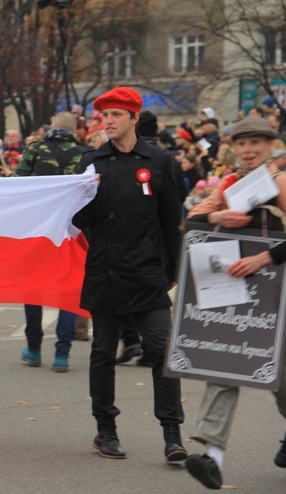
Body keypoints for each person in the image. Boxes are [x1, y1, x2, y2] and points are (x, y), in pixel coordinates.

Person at [72, 86, 186, 462]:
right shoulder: (91, 163)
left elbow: (171, 221)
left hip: (148, 274)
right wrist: (89, 196)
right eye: (104, 115)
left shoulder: (159, 161)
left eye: (116, 114)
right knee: (103, 353)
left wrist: (172, 269)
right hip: (105, 271)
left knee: (161, 349)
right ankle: (105, 430)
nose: (108, 121)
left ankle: (172, 434)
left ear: (135, 118)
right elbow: (74, 220)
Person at [184, 116, 286, 489]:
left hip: (278, 292)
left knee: (282, 378)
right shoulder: (230, 183)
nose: (249, 150)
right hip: (234, 292)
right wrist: (217, 214)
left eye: (257, 142)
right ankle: (212, 456)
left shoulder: (279, 181)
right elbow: (191, 221)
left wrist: (267, 257)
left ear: (271, 144)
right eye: (243, 143)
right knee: (224, 364)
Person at [15, 111, 87, 371]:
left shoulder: (36, 149)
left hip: (37, 229)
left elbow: (17, 185)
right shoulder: (84, 154)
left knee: (33, 287)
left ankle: (34, 348)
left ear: (52, 126)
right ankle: (62, 354)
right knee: (67, 290)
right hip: (69, 231)